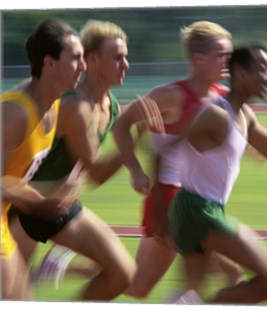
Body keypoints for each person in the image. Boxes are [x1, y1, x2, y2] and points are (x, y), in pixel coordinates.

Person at [167, 43, 267, 304]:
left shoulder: (244, 115)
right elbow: (170, 146)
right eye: (263, 71)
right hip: (198, 209)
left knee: (188, 297)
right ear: (240, 73)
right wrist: (155, 193)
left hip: (200, 209)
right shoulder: (216, 114)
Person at [7, 19, 157, 301]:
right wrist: (135, 138)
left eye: (126, 57)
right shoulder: (74, 104)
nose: (126, 64)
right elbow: (97, 171)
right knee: (14, 297)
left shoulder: (110, 105)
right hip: (27, 204)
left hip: (56, 205)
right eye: (117, 57)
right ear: (93, 59)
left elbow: (86, 168)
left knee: (123, 272)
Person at [121, 20, 244, 300]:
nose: (228, 61)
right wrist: (135, 169)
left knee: (137, 286)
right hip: (169, 199)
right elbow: (122, 124)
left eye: (230, 54)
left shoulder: (223, 97)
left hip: (200, 199)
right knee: (230, 273)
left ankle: (76, 266)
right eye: (221, 54)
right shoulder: (171, 95)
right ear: (198, 59)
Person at [1, 18, 86, 300]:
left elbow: (13, 177)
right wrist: (41, 203)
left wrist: (49, 197)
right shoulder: (15, 113)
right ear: (49, 64)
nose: (83, 66)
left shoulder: (54, 104)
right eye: (75, 58)